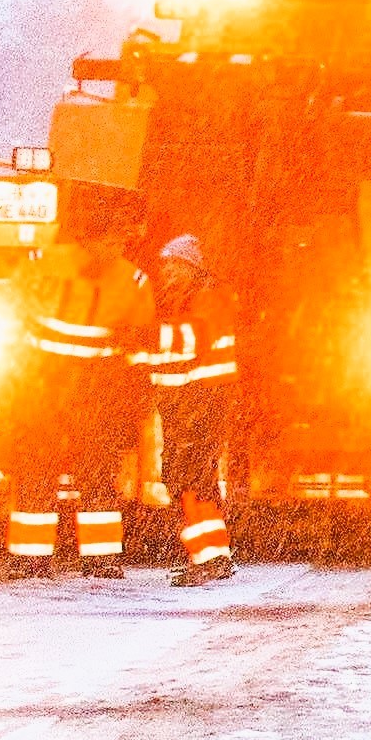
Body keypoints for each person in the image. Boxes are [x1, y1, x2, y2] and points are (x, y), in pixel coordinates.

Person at [12, 210, 150, 579]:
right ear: (87, 241)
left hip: (95, 388)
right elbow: (14, 315)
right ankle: (30, 557)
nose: (116, 249)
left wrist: (133, 398)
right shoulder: (42, 264)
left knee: (97, 475)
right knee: (35, 471)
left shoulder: (134, 280)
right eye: (110, 242)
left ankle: (101, 557)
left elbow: (137, 346)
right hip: (44, 383)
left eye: (121, 243)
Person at [145, 234, 242, 584]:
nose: (167, 271)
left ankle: (211, 557)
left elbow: (192, 340)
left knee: (194, 477)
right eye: (165, 265)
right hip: (180, 402)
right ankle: (206, 554)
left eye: (174, 264)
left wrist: (143, 337)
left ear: (191, 267)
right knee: (180, 475)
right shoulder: (178, 300)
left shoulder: (209, 298)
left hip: (205, 399)